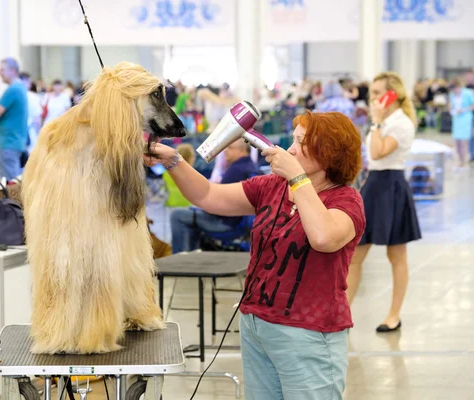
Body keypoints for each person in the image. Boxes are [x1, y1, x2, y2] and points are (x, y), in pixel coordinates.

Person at [145, 111, 365, 399]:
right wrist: (173, 161)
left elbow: (323, 237)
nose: (290, 149)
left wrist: (297, 177)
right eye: (293, 140)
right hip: (257, 327)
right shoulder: (271, 187)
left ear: (329, 153)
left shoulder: (346, 201)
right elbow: (208, 196)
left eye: (301, 143)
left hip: (310, 334)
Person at [347, 72, 422, 333]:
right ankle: (342, 313)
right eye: (373, 92)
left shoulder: (401, 123)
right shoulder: (382, 121)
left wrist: (377, 123)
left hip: (392, 186)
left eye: (378, 92)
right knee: (355, 254)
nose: (373, 98)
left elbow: (378, 152)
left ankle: (394, 315)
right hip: (373, 185)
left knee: (396, 255)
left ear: (393, 94)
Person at [169, 139, 261, 254]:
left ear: (242, 150)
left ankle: (180, 262)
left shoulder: (236, 170)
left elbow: (215, 204)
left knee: (177, 215)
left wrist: (200, 205)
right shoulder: (251, 168)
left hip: (226, 223)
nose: (225, 151)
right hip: (239, 222)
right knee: (189, 214)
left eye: (230, 148)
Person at [0, 58, 28, 181]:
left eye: (2, 70)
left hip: (8, 143)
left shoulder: (13, 90)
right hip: (12, 142)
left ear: (13, 71)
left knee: (10, 185)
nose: (0, 73)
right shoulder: (19, 88)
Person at [448, 78, 474, 168]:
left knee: (463, 141)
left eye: (455, 89)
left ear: (458, 87)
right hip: (456, 119)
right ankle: (460, 160)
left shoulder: (468, 93)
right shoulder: (452, 94)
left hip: (466, 117)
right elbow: (451, 105)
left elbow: (473, 105)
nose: (454, 91)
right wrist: (451, 109)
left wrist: (464, 109)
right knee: (457, 141)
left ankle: (463, 160)